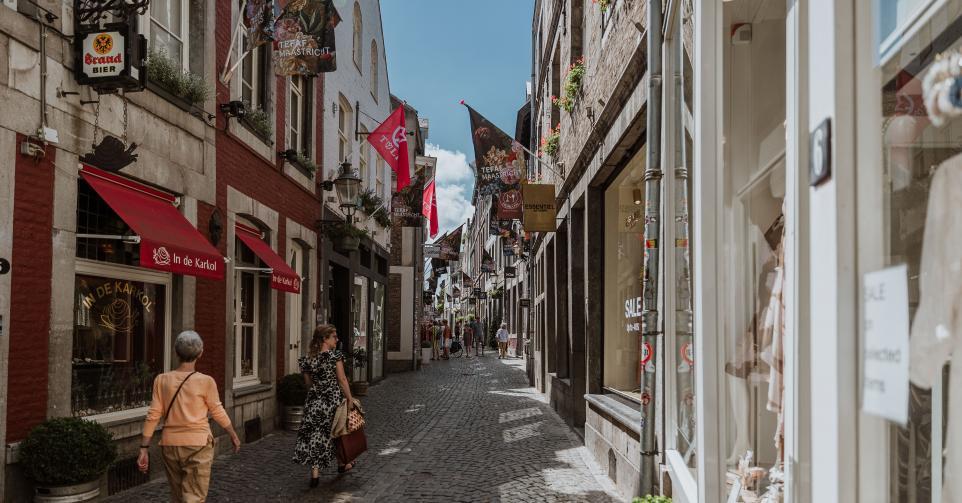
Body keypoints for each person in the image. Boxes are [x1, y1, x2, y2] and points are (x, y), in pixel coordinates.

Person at [138, 330, 241, 503]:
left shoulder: (161, 380)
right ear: (200, 353)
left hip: (170, 445)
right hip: (198, 444)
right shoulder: (206, 381)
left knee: (178, 497)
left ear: (176, 352)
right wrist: (233, 434)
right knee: (194, 497)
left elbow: (153, 416)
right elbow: (217, 411)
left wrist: (143, 448)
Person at [293, 324, 358, 486]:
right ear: (325, 339)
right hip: (332, 401)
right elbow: (342, 380)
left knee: (316, 435)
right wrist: (350, 398)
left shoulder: (308, 359)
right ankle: (343, 464)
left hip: (314, 402)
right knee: (337, 432)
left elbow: (308, 384)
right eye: (334, 337)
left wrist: (317, 393)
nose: (337, 339)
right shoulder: (334, 356)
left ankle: (315, 474)